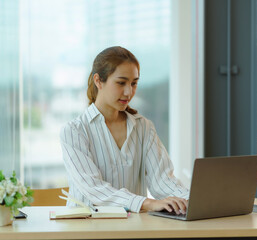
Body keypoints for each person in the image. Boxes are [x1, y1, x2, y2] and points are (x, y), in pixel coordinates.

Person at [60, 46, 189, 214]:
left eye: (134, 83)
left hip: (131, 227)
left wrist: (192, 199)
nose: (129, 92)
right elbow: (94, 189)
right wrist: (147, 203)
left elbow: (163, 181)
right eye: (121, 83)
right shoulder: (74, 131)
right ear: (98, 80)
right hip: (87, 229)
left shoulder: (144, 127)